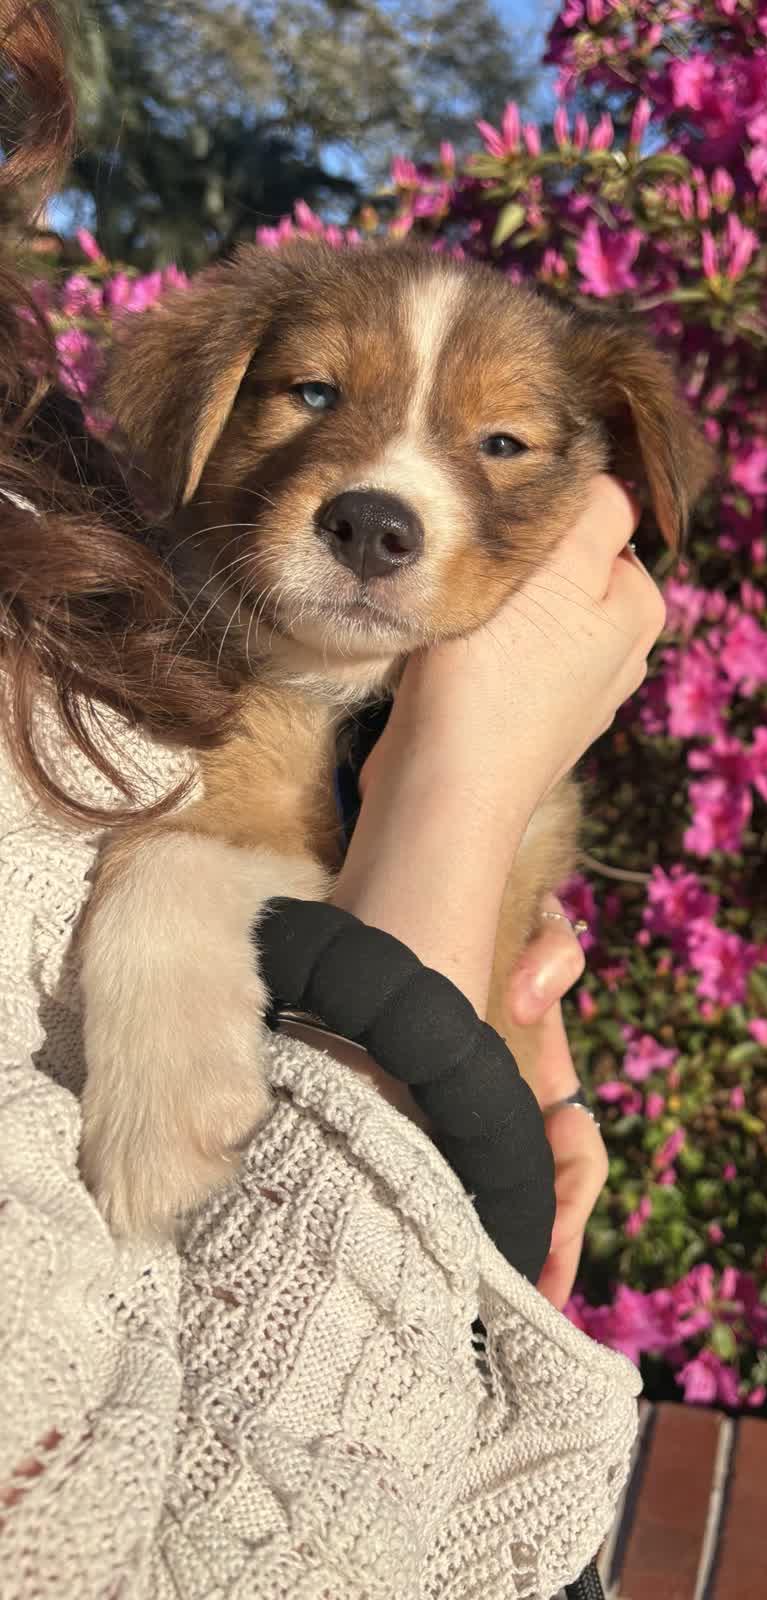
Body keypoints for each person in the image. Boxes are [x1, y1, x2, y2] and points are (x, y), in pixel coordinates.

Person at [0, 2, 660, 1593]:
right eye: (311, 395)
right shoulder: (170, 653)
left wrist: (525, 1099)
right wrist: (459, 803)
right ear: (212, 403)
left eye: (502, 440)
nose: (392, 490)